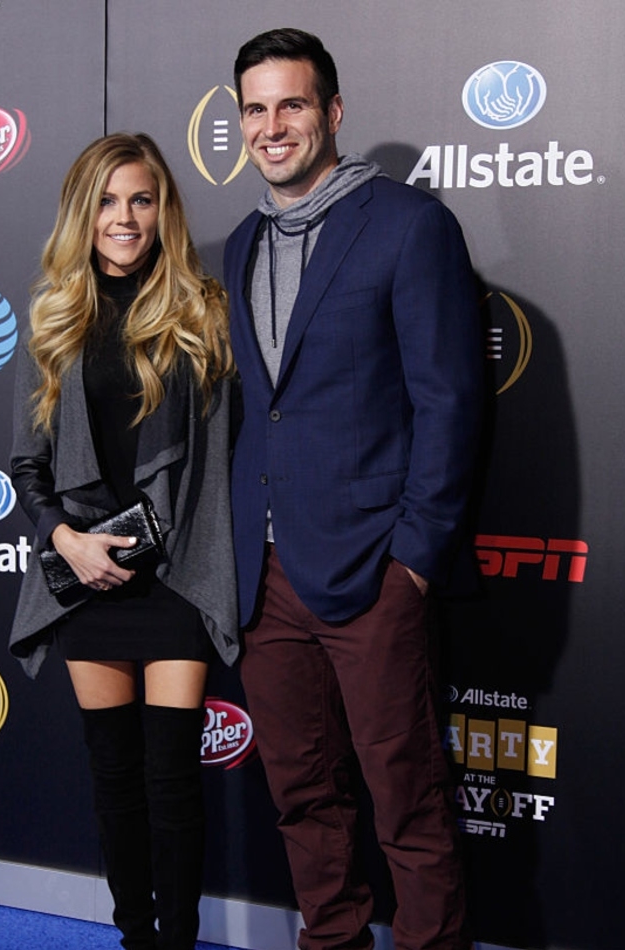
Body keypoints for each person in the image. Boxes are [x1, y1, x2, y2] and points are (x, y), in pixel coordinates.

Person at [224, 29, 483, 950]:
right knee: (301, 795)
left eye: (291, 104)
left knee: (403, 799)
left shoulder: (410, 226)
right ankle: (330, 940)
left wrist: (414, 557)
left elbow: (449, 403)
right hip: (262, 575)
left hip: (372, 569)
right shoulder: (239, 244)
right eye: (255, 109)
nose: (272, 126)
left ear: (332, 112)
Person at [8, 132, 238, 950]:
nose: (125, 217)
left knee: (173, 779)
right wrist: (66, 542)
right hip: (88, 576)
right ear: (83, 211)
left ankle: (176, 940)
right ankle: (135, 939)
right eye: (107, 201)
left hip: (178, 576)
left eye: (141, 198)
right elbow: (25, 464)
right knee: (114, 779)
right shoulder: (55, 317)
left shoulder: (201, 309)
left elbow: (224, 457)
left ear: (163, 207)